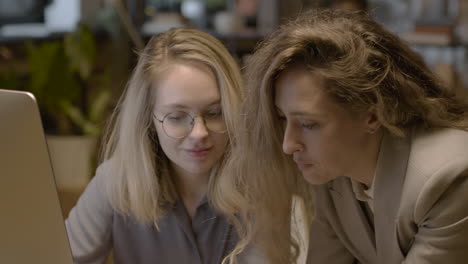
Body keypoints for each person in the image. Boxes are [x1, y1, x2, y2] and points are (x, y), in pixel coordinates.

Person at [217, 9, 468, 264]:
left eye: (308, 124)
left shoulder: (448, 178)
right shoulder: (334, 174)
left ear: (373, 114)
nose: (288, 145)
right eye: (282, 118)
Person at [65, 28, 244, 264]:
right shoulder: (115, 181)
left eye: (215, 113)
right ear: (149, 119)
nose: (199, 133)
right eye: (177, 117)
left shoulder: (260, 185)